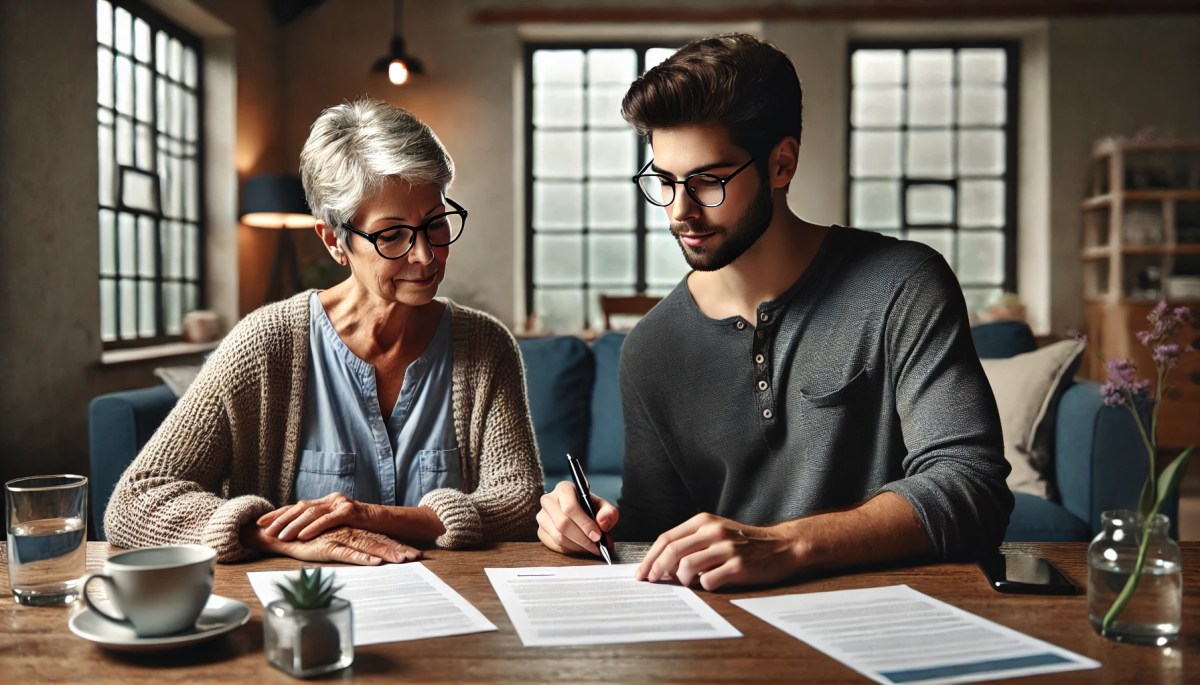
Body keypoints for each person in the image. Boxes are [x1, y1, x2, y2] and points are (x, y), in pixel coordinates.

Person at [536, 34, 1012, 590]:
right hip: (727, 635)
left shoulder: (903, 285)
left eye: (708, 181)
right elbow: (653, 533)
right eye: (663, 181)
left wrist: (787, 545)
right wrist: (586, 527)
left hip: (892, 617)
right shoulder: (651, 347)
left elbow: (971, 485)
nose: (679, 211)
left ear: (781, 164)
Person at [106, 98, 544, 564]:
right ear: (334, 240)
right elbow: (135, 502)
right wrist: (267, 533)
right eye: (392, 234)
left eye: (435, 225)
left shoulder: (485, 344)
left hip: (457, 607)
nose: (425, 255)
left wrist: (375, 517)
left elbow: (519, 500)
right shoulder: (265, 344)